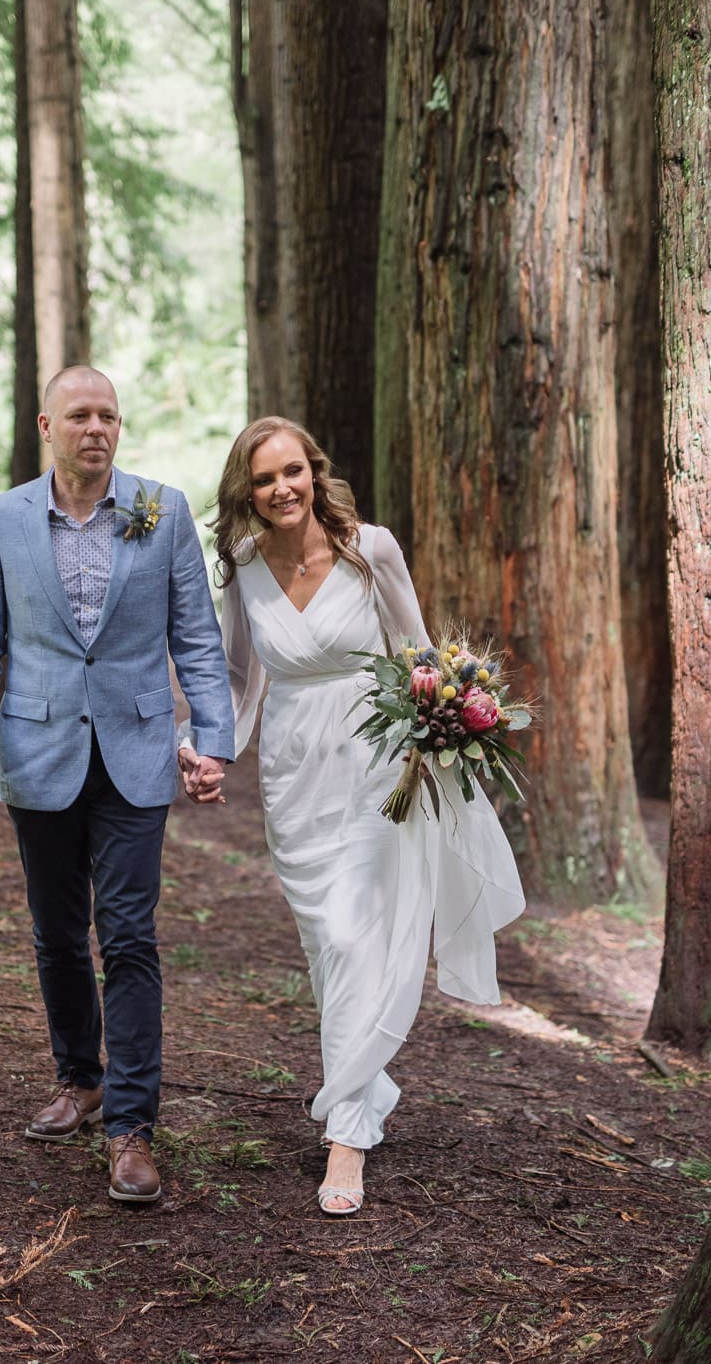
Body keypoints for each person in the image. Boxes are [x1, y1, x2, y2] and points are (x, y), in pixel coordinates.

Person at [201, 416, 525, 1216]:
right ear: (246, 493)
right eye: (262, 480)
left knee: (354, 936)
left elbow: (417, 655)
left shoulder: (368, 548)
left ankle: (345, 1133)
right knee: (329, 948)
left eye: (291, 472)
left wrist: (450, 726)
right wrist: (209, 749)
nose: (280, 490)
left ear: (314, 472)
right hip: (293, 774)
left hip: (377, 767)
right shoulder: (240, 567)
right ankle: (366, 1085)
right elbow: (241, 680)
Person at [0, 367, 233, 1205]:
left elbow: (197, 635)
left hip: (138, 753)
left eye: (108, 415)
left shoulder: (164, 509)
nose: (96, 428)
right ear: (48, 425)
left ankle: (133, 1129)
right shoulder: (2, 518)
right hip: (38, 752)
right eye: (80, 415)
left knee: (130, 936)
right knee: (57, 935)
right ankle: (80, 1077)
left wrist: (209, 739)